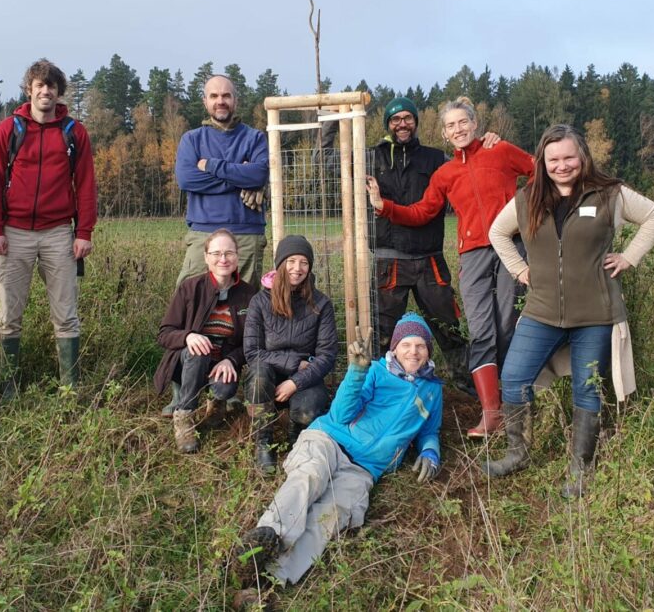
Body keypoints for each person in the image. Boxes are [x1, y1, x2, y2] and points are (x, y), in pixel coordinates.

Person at [484, 124, 654, 497]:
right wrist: (520, 270)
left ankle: (581, 467)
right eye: (553, 159)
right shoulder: (528, 198)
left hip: (595, 314)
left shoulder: (609, 195)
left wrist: (630, 257)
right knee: (515, 377)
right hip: (541, 312)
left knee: (587, 390)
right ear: (543, 162)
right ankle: (517, 452)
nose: (562, 165)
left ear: (582, 156)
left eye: (569, 157)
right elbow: (496, 233)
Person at [231, 313, 443, 588]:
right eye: (406, 344)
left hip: (365, 470)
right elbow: (341, 414)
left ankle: (270, 581)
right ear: (395, 348)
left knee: (330, 516)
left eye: (420, 346)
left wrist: (430, 451)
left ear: (428, 350)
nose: (413, 352)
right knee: (310, 476)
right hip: (329, 439)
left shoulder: (432, 390)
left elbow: (430, 430)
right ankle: (265, 541)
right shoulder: (375, 370)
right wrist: (357, 372)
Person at [366, 96, 534, 439]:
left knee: (507, 326)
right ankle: (492, 414)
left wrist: (526, 209)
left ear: (475, 124)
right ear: (444, 133)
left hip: (509, 247)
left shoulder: (499, 151)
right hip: (472, 253)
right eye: (450, 125)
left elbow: (540, 169)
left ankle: (517, 400)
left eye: (463, 123)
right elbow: (423, 212)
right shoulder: (445, 172)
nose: (458, 129)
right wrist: (384, 207)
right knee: (480, 328)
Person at [0, 59, 97, 397]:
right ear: (29, 90)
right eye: (39, 86)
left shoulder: (74, 132)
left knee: (66, 314)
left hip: (58, 233)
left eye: (51, 86)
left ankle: (69, 387)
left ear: (59, 92)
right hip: (12, 233)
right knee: (9, 314)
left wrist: (84, 232)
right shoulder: (9, 129)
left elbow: (86, 184)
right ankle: (9, 386)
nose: (45, 91)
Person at [371, 97, 472, 392]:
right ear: (388, 124)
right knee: (383, 331)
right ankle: (385, 386)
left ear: (416, 122)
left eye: (407, 117)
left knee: (448, 325)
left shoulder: (436, 158)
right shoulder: (372, 157)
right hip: (388, 260)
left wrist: (487, 141)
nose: (402, 123)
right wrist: (328, 128)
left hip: (429, 259)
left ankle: (465, 383)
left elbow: (468, 165)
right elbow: (330, 163)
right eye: (395, 119)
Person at [154, 229, 257, 453]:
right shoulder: (190, 289)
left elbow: (253, 341)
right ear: (206, 257)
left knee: (225, 387)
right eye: (216, 253)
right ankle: (184, 416)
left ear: (237, 257)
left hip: (221, 364)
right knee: (198, 352)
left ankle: (217, 403)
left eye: (229, 253)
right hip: (187, 361)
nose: (223, 259)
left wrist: (232, 359)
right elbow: (164, 333)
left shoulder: (249, 294)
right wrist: (188, 336)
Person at [243, 236, 337, 474]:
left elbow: (326, 356)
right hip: (268, 372)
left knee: (307, 411)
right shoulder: (260, 301)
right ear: (280, 264)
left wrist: (295, 382)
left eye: (304, 262)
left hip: (305, 376)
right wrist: (294, 361)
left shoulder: (321, 304)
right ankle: (263, 440)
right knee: (258, 377)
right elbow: (252, 352)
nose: (297, 268)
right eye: (291, 261)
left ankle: (296, 438)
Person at [174, 75, 269, 288]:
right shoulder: (192, 139)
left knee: (244, 308)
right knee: (190, 299)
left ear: (235, 100)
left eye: (226, 95)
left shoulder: (255, 138)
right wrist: (241, 176)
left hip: (246, 233)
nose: (220, 101)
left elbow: (259, 174)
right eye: (214, 96)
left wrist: (212, 166)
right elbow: (186, 179)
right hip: (203, 234)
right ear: (205, 101)